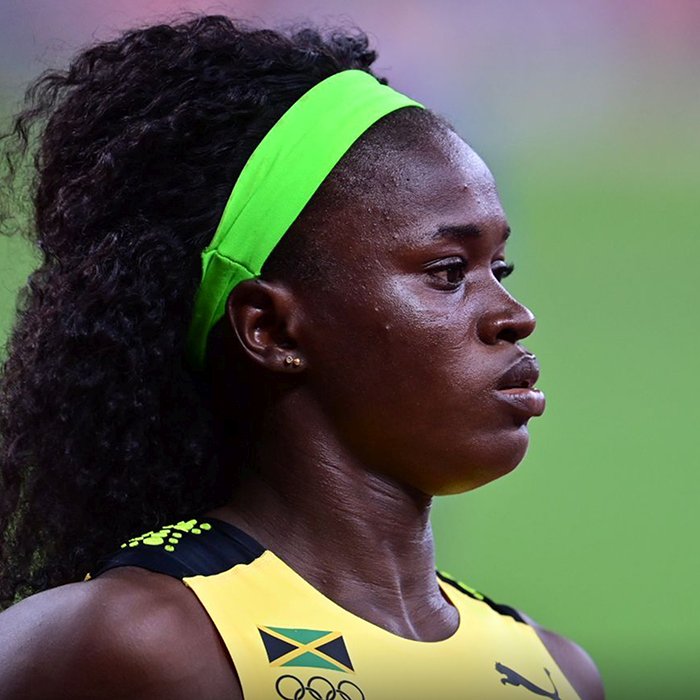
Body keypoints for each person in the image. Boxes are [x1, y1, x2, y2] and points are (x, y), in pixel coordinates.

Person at [0, 14, 604, 700]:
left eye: (501, 267)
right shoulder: (136, 642)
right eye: (447, 272)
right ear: (272, 330)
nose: (514, 316)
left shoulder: (558, 671)